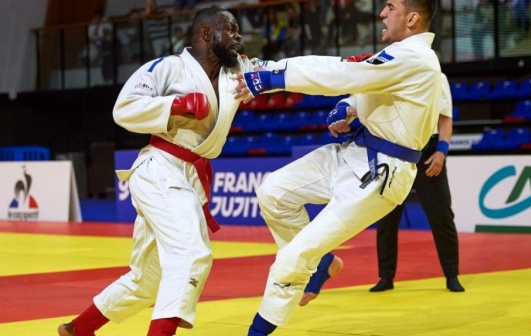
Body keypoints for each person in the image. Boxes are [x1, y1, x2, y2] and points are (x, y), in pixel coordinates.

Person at [233, 0, 442, 334]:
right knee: (272, 191)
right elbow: (366, 86)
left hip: (380, 173)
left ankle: (258, 330)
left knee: (292, 258)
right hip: (352, 153)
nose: (382, 14)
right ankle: (324, 263)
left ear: (413, 17)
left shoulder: (415, 57)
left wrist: (272, 75)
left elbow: (345, 71)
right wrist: (347, 105)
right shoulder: (401, 57)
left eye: (390, 7)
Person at [57, 6, 259, 336]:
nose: (239, 36)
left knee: (147, 279)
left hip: (188, 176)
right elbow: (124, 109)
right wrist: (174, 105)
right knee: (191, 253)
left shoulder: (237, 72)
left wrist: (358, 70)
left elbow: (285, 71)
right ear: (206, 34)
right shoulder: (167, 68)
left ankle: (78, 329)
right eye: (231, 30)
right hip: (160, 168)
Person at [369, 73, 465, 293]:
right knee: (386, 217)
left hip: (428, 151)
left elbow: (445, 118)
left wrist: (442, 151)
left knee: (441, 215)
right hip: (394, 149)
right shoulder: (391, 75)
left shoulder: (436, 77)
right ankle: (386, 276)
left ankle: (452, 275)